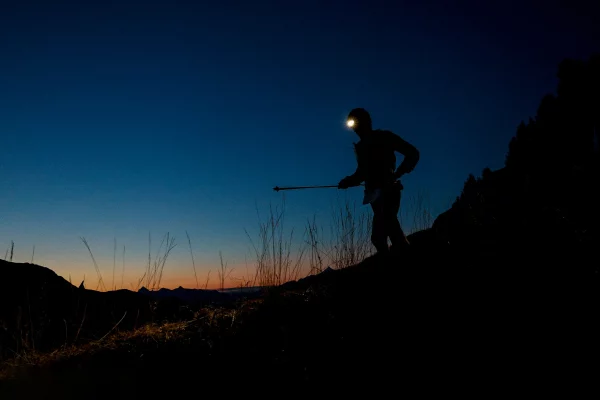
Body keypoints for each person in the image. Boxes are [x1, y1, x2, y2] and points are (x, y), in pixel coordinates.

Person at [338, 108, 420, 256]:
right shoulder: (361, 147)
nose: (355, 129)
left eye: (356, 124)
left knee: (382, 234)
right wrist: (347, 181)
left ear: (366, 122)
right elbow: (362, 173)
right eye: (352, 126)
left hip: (389, 190)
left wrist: (398, 173)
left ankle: (405, 263)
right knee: (384, 234)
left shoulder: (384, 137)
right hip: (374, 196)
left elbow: (412, 153)